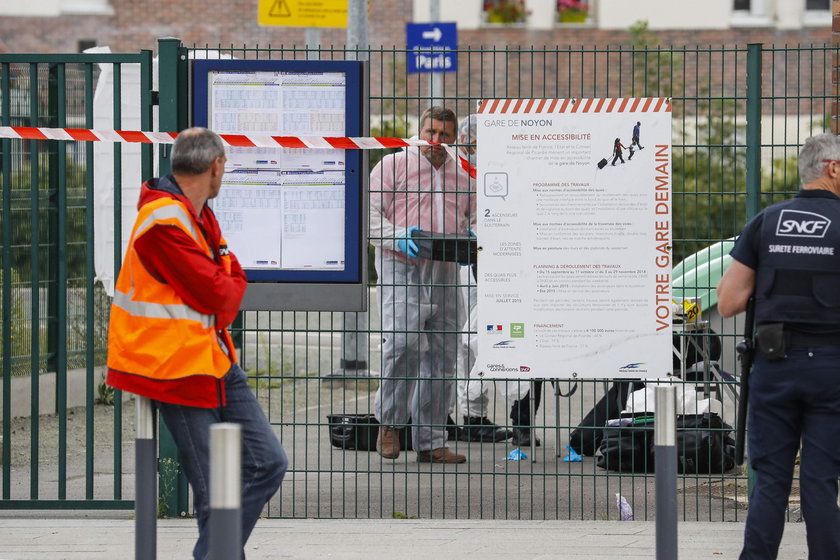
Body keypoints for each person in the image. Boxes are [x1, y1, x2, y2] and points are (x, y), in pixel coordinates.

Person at [106, 127, 287, 560]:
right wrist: (225, 287)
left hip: (213, 360)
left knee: (269, 462)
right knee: (213, 492)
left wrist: (225, 286)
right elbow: (220, 294)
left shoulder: (197, 215)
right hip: (175, 368)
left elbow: (230, 282)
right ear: (215, 166)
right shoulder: (163, 222)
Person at [717, 133, 840, 560]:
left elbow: (728, 302)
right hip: (832, 369)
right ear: (833, 168)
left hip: (774, 367)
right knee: (821, 481)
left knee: (769, 480)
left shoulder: (766, 222)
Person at [370, 106, 475, 463]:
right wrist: (397, 236)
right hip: (402, 265)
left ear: (454, 138)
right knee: (403, 343)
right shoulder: (392, 166)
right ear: (419, 131)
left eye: (444, 135)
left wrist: (473, 238)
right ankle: (390, 424)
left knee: (444, 353)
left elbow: (477, 217)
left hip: (445, 270)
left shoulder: (464, 174)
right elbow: (368, 216)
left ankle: (431, 441)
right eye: (430, 132)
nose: (436, 141)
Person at [452, 114, 537, 445]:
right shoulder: (456, 174)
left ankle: (513, 417)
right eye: (471, 144)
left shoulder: (503, 171)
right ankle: (472, 414)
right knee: (470, 338)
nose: (475, 149)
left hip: (502, 258)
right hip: (468, 261)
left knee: (493, 335)